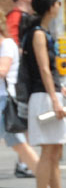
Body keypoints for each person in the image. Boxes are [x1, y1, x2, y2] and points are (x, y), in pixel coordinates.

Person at [19, 0, 66, 188]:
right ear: (49, 6)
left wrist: (60, 89)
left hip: (48, 94)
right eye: (57, 3)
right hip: (43, 97)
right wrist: (55, 99)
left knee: (55, 151)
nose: (59, 6)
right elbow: (43, 69)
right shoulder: (38, 34)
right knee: (48, 151)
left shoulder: (42, 33)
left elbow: (48, 72)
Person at [1, 30, 38, 178]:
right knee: (21, 146)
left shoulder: (7, 45)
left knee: (21, 146)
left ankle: (48, 185)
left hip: (4, 103)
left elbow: (3, 70)